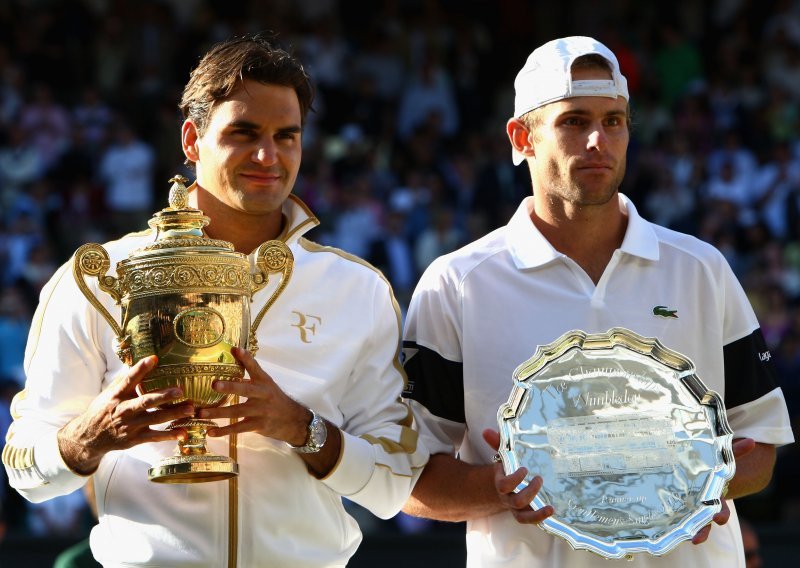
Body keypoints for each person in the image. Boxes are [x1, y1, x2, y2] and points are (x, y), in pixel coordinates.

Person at [2, 33, 428, 567]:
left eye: (287, 136)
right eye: (243, 133)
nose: (268, 155)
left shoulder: (356, 289)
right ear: (191, 139)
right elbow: (22, 465)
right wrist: (88, 438)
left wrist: (303, 428)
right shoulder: (100, 276)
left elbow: (394, 481)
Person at [401, 36, 794, 567]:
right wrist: (498, 487)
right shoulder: (457, 284)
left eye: (614, 121)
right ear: (522, 138)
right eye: (573, 120)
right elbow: (407, 477)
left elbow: (759, 447)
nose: (597, 141)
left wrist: (712, 484)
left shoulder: (701, 269)